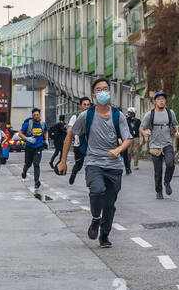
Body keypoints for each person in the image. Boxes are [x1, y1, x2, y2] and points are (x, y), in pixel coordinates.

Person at [57, 78, 133, 248]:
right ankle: (95, 219)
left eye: (106, 89)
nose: (103, 92)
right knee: (97, 190)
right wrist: (62, 162)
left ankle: (104, 235)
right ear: (93, 95)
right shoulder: (86, 116)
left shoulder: (117, 115)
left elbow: (128, 139)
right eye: (99, 90)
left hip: (114, 166)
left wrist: (118, 150)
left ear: (110, 93)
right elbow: (70, 135)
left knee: (110, 205)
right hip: (94, 163)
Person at [142, 91, 179, 198]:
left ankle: (167, 182)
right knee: (157, 171)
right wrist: (145, 133)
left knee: (170, 163)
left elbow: (175, 124)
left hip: (167, 144)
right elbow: (141, 127)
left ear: (165, 101)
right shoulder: (150, 114)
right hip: (155, 146)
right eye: (159, 99)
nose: (161, 101)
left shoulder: (170, 113)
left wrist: (177, 131)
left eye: (163, 99)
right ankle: (158, 191)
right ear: (155, 101)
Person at [19, 107, 47, 189]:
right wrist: (27, 139)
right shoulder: (28, 124)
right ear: (32, 116)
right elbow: (20, 133)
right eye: (34, 115)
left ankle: (36, 182)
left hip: (38, 147)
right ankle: (24, 172)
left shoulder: (43, 124)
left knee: (36, 164)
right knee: (28, 164)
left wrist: (46, 139)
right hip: (29, 147)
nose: (36, 116)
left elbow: (46, 131)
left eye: (38, 115)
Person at [65, 98, 91, 184]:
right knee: (79, 164)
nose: (86, 107)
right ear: (80, 106)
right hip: (79, 145)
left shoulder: (93, 116)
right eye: (84, 104)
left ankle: (91, 183)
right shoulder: (75, 117)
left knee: (91, 166)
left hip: (91, 146)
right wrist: (76, 137)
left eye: (88, 105)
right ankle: (73, 174)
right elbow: (70, 131)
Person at [123, 109, 141, 173]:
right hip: (129, 137)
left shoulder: (138, 121)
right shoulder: (127, 120)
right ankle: (128, 164)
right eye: (129, 113)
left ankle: (136, 165)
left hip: (136, 137)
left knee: (136, 151)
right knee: (128, 152)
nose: (130, 114)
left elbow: (140, 128)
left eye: (131, 113)